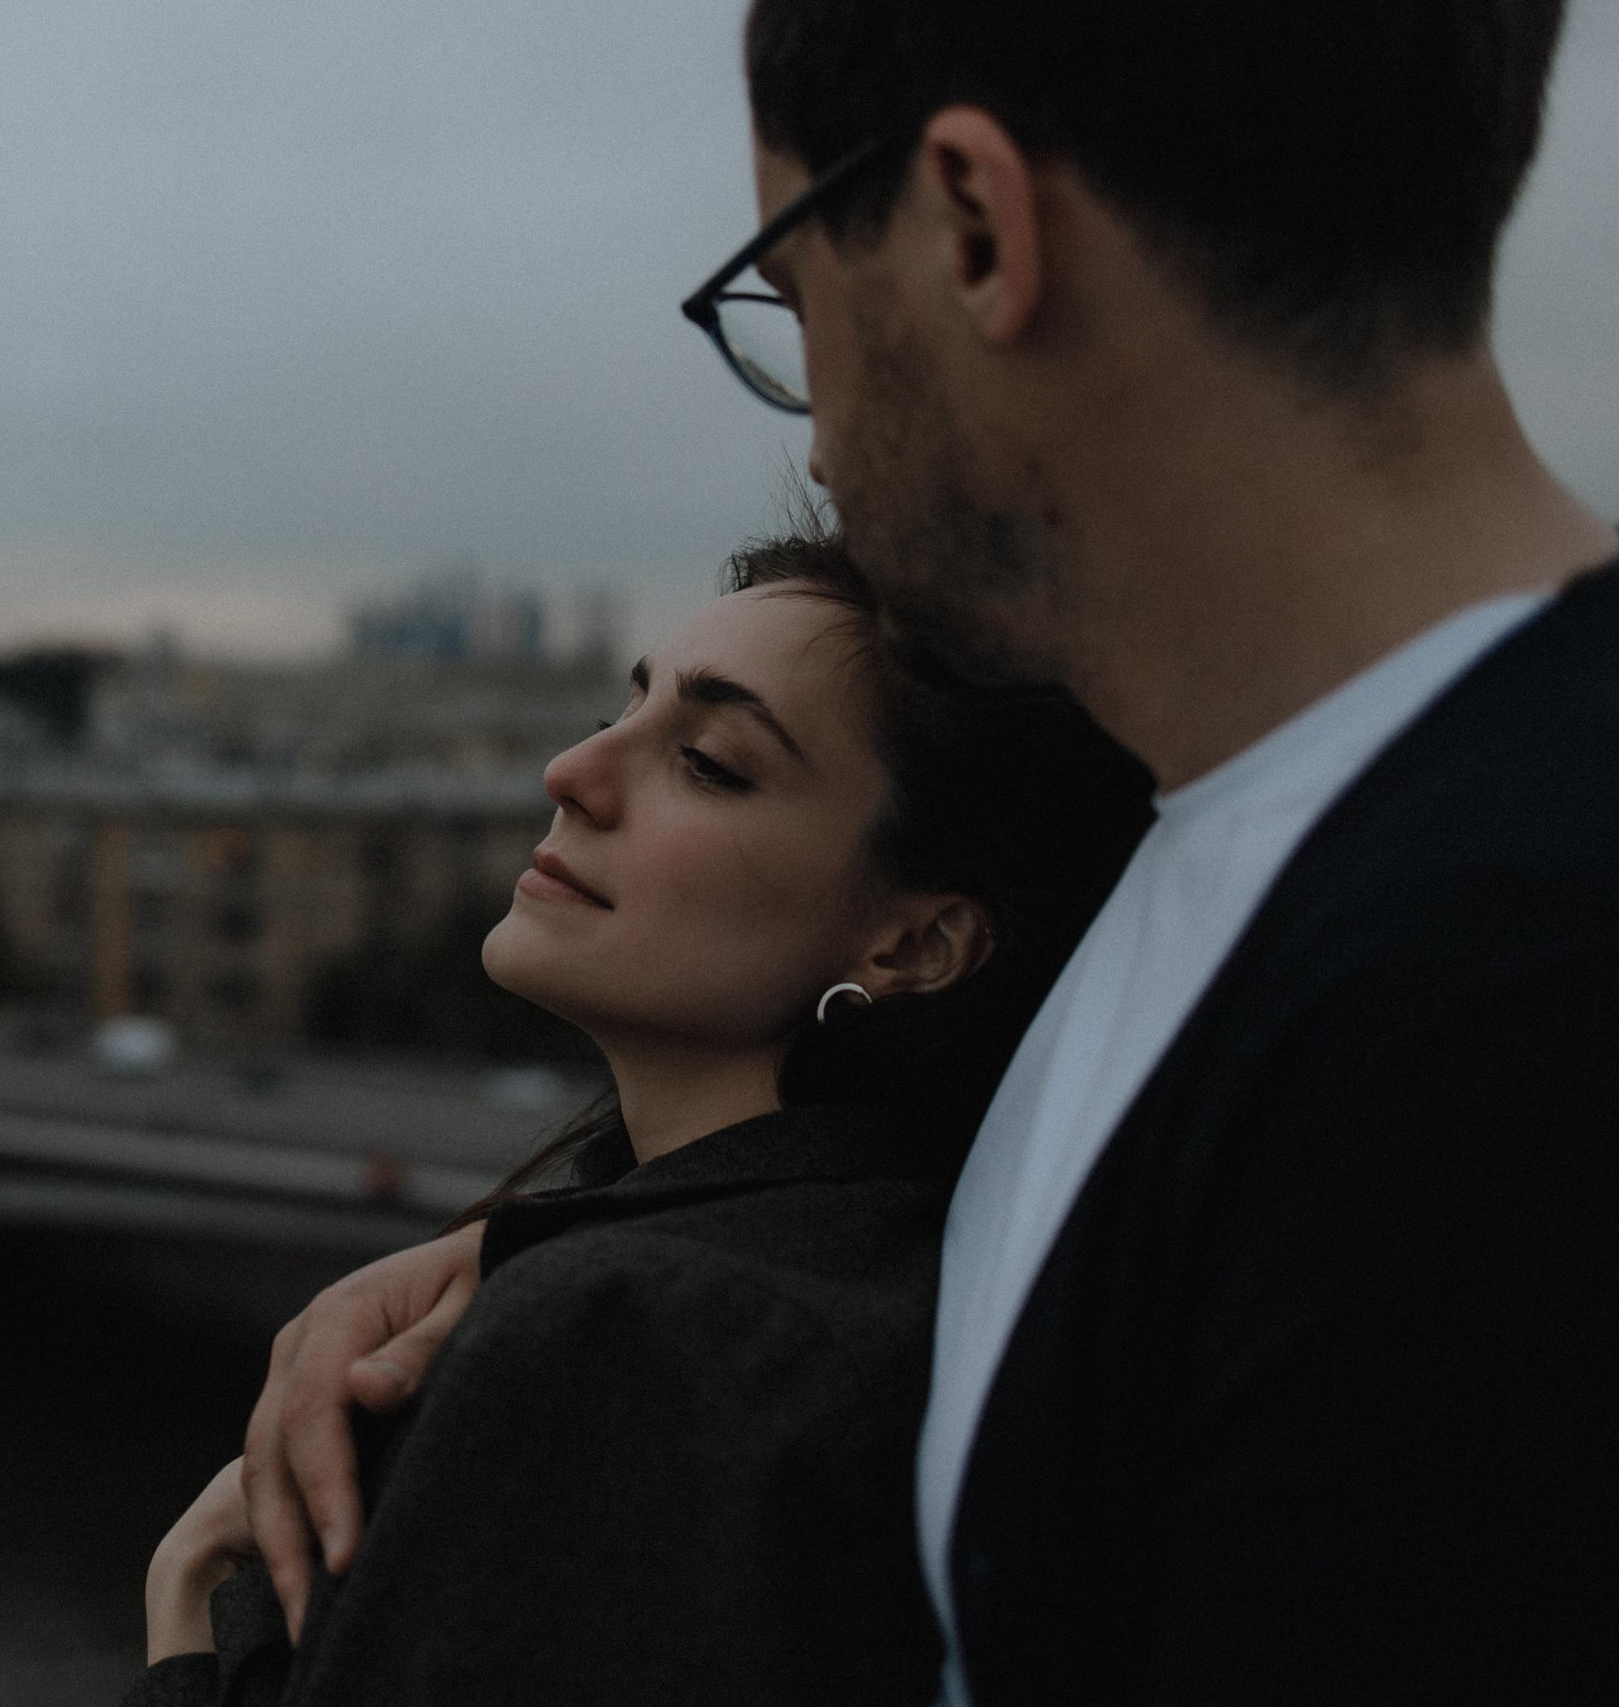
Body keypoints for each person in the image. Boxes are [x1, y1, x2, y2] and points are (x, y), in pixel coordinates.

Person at [238, 3, 1619, 1702]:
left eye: (794, 300)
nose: (816, 436)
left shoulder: (1499, 1001)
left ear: (975, 229)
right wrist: (553, 1258)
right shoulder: (1277, 849)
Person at [125, 531, 1151, 1705]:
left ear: (915, 943)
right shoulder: (899, 1258)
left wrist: (195, 1609)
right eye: (621, 709)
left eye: (708, 763)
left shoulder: (645, 1338)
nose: (571, 771)